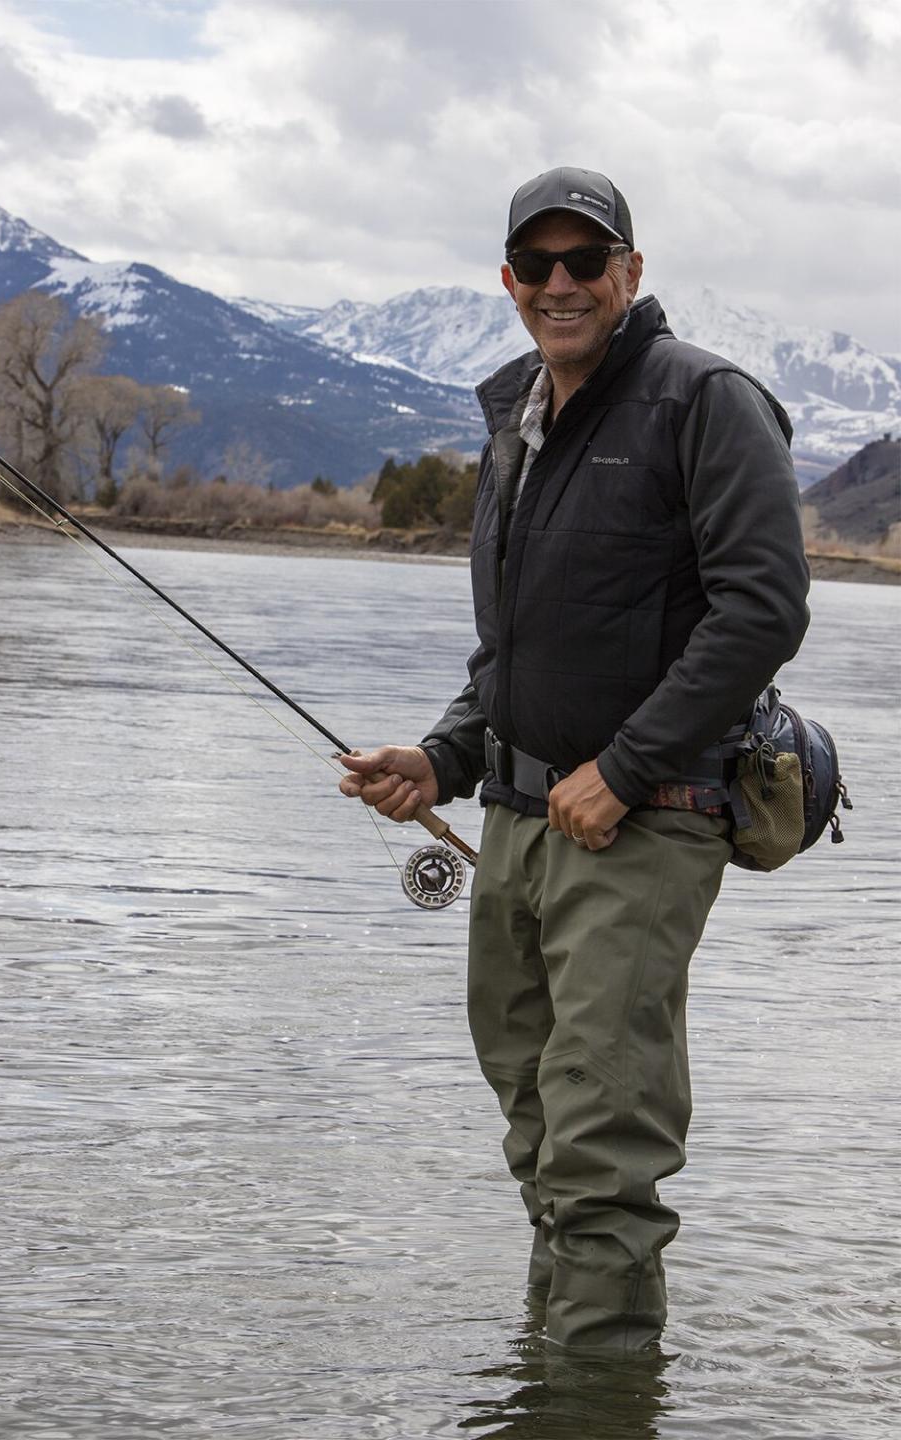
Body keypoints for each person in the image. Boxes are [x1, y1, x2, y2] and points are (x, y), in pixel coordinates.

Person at [339, 166, 809, 1356]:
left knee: (601, 1145)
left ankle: (597, 1399)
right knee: (538, 1123)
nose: (561, 284)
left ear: (630, 273)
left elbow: (762, 611)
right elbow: (515, 642)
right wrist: (441, 760)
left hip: (647, 820)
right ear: (509, 283)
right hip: (516, 819)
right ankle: (556, 1385)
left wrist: (623, 765)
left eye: (585, 261)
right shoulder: (516, 416)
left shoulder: (704, 400)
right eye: (536, 265)